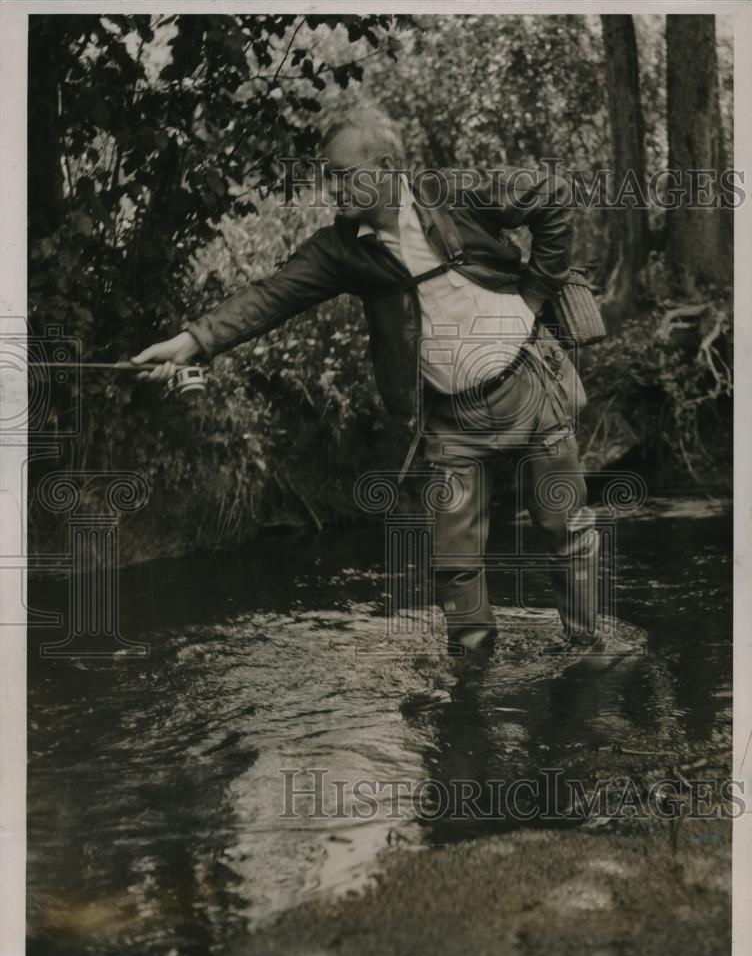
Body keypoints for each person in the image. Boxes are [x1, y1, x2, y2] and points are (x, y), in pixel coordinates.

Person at [132, 105, 607, 664]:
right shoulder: (341, 249)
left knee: (565, 530)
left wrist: (535, 292)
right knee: (454, 564)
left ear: (384, 168)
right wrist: (191, 343)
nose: (328, 188)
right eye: (325, 177)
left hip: (532, 388)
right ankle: (471, 677)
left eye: (339, 175)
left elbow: (552, 195)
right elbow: (270, 295)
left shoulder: (455, 192)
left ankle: (587, 652)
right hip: (449, 418)